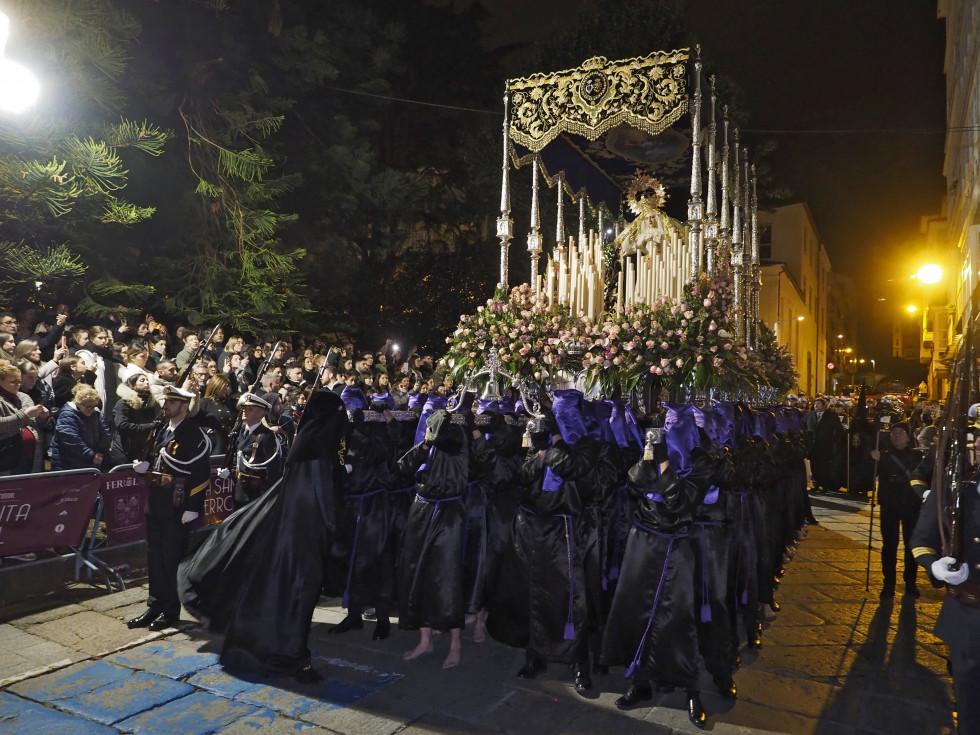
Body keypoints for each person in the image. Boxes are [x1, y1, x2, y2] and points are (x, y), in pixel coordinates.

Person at [178, 389, 348, 682]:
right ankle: (292, 657)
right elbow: (321, 502)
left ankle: (290, 653)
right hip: (302, 545)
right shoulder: (316, 452)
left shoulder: (308, 446)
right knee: (295, 604)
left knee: (286, 602)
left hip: (294, 540)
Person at [911, 430, 980, 735]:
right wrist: (935, 565)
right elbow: (922, 540)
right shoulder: (955, 488)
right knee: (970, 708)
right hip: (969, 614)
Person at [127, 385, 212, 632]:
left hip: (178, 503)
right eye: (166, 402)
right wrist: (143, 467)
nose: (166, 406)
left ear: (184, 406)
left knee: (171, 559)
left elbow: (201, 474)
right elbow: (157, 460)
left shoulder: (194, 435)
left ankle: (170, 610)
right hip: (156, 500)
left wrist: (194, 506)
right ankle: (154, 605)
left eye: (172, 402)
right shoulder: (162, 430)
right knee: (154, 556)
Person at [396, 407, 468, 669]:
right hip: (421, 509)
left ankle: (455, 643)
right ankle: (424, 640)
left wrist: (443, 432)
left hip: (449, 513)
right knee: (418, 573)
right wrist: (424, 444)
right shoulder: (426, 445)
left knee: (448, 576)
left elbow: (458, 454)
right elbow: (403, 467)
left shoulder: (457, 441)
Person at [870, 422, 922, 599]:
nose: (896, 436)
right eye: (893, 433)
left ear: (908, 437)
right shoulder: (883, 456)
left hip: (911, 506)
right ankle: (888, 584)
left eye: (900, 433)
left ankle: (910, 582)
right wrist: (872, 459)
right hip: (890, 505)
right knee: (889, 546)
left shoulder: (917, 456)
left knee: (911, 546)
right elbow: (868, 473)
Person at [224, 392, 283, 508]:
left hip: (256, 494)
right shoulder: (238, 432)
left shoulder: (266, 436)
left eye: (250, 408)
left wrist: (268, 498)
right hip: (237, 491)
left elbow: (272, 470)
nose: (244, 411)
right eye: (244, 408)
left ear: (262, 412)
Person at [0, 360, 48, 477]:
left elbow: (34, 423)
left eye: (19, 382)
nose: (18, 385)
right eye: (13, 381)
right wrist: (25, 415)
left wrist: (42, 418)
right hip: (6, 458)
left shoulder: (24, 397)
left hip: (31, 454)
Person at [52, 383, 111, 471]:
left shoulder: (96, 413)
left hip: (93, 461)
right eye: (88, 407)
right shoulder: (67, 414)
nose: (91, 410)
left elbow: (105, 433)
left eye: (94, 406)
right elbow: (71, 440)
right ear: (78, 403)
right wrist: (91, 455)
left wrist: (100, 452)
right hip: (70, 464)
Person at [110, 372, 161, 466]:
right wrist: (150, 426)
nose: (147, 382)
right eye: (142, 380)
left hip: (142, 449)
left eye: (147, 380)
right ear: (133, 385)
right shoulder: (123, 403)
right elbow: (122, 425)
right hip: (124, 450)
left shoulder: (150, 404)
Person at [805, 397, 843, 493]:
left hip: (826, 445)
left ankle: (825, 485)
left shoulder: (831, 416)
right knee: (814, 465)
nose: (816, 406)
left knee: (825, 466)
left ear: (823, 406)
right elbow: (804, 427)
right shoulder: (809, 415)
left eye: (818, 404)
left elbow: (838, 429)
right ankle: (816, 484)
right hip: (813, 446)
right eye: (815, 404)